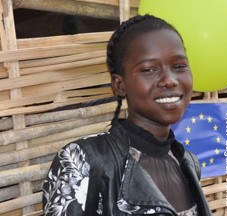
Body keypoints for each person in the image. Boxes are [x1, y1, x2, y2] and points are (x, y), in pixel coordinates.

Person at [43, 15, 212, 216]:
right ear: (119, 85)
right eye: (149, 69)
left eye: (179, 66)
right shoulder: (82, 161)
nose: (169, 80)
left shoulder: (188, 162)